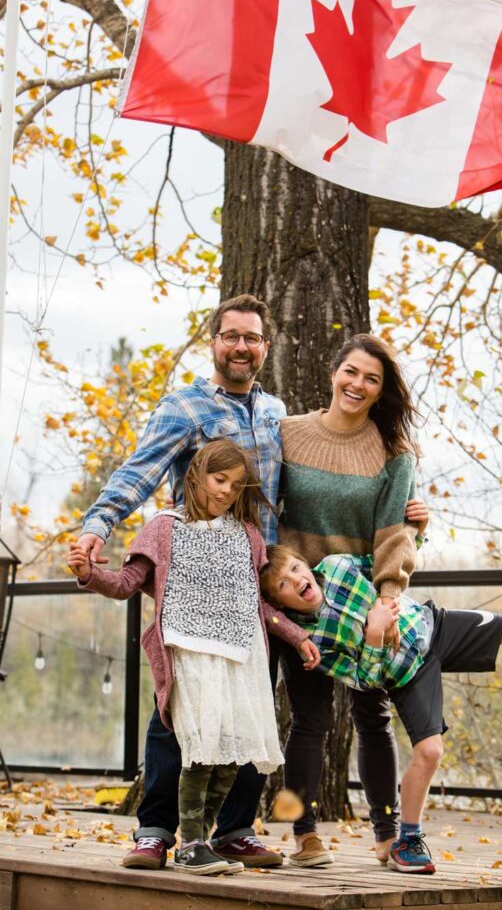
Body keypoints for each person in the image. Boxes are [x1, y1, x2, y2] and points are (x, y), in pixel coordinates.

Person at [75, 297, 425, 870]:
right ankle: (156, 829)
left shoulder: (274, 414)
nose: (241, 346)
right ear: (213, 341)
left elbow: (311, 492)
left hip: (253, 590)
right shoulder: (185, 406)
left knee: (249, 706)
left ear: (266, 347)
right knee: (176, 711)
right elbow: (138, 472)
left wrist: (413, 522)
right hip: (190, 588)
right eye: (230, 336)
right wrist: (98, 526)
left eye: (252, 338)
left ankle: (235, 827)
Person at [261, 545, 502, 875]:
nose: (295, 580)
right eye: (283, 584)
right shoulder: (315, 643)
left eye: (296, 568)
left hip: (433, 626)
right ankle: (408, 839)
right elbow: (364, 679)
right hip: (406, 672)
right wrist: (374, 635)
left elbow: (390, 564)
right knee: (430, 751)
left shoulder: (339, 565)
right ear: (279, 604)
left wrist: (417, 530)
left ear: (306, 565)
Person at [67, 439, 317, 875]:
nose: (225, 491)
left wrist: (296, 636)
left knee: (228, 761)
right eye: (220, 480)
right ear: (197, 475)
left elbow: (256, 603)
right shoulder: (164, 528)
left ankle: (204, 840)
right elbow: (127, 582)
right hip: (190, 656)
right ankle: (185, 844)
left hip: (241, 659)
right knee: (200, 755)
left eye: (236, 486)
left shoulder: (247, 536)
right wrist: (89, 575)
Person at [273, 334, 427, 867]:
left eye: (372, 379)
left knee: (372, 716)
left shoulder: (392, 453)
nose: (357, 385)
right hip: (304, 603)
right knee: (309, 719)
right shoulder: (286, 433)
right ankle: (304, 836)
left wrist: (387, 603)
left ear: (382, 391)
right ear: (334, 372)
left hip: (363, 604)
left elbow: (393, 536)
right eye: (351, 372)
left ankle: (387, 836)